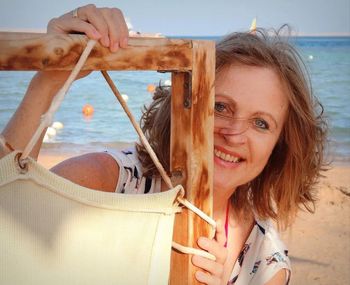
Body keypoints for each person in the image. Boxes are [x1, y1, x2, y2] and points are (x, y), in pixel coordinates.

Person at [0, 4, 327, 285]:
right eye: (220, 107)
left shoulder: (264, 261)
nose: (234, 134)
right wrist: (49, 81)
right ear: (184, 104)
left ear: (280, 146)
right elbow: (8, 224)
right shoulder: (112, 181)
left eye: (261, 123)